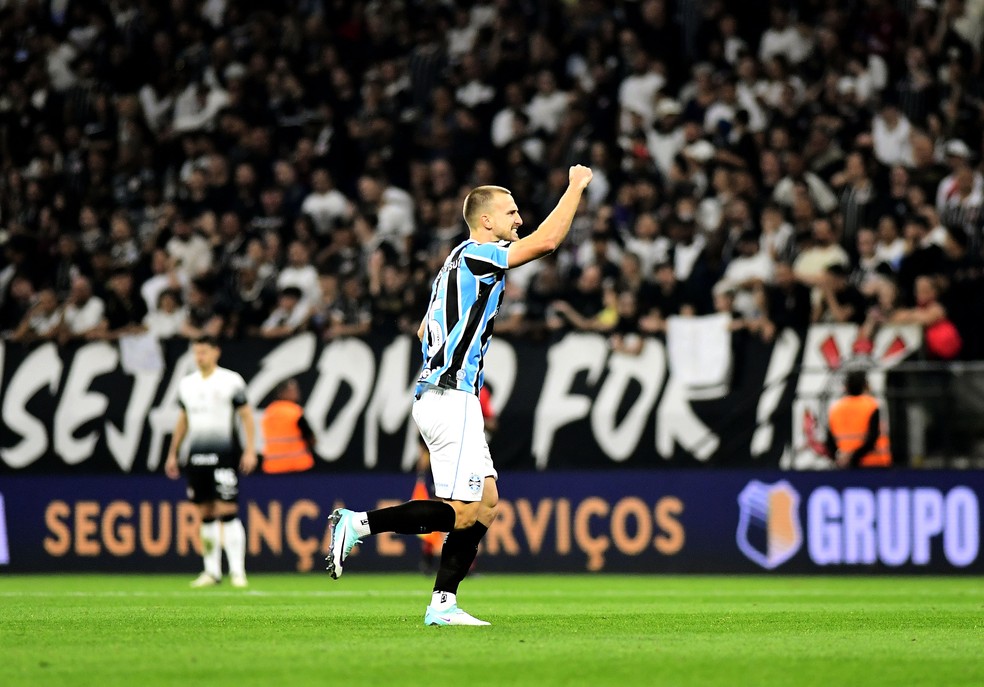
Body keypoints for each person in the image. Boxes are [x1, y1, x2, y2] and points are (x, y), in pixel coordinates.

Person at [326, 164, 594, 626]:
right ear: (485, 220)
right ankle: (358, 523)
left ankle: (443, 604)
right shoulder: (478, 255)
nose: (519, 219)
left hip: (442, 394)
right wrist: (574, 186)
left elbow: (422, 330)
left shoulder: (454, 262)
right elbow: (548, 242)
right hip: (452, 396)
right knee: (464, 510)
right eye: (511, 212)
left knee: (485, 503)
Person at [165, 335, 257, 587]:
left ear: (216, 352)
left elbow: (246, 416)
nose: (199, 357)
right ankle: (211, 571)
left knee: (227, 511)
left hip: (223, 454)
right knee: (204, 513)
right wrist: (173, 452)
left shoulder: (231, 380)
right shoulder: (187, 384)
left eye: (204, 352)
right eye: (196, 352)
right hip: (196, 457)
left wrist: (250, 450)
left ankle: (237, 572)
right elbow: (183, 419)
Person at [825, 369, 891, 469]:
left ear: (846, 387)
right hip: (874, 463)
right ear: (865, 386)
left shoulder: (836, 408)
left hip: (845, 465)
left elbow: (829, 439)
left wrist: (841, 457)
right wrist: (854, 457)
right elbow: (873, 437)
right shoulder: (872, 406)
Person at [260, 378, 315, 474]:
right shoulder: (295, 412)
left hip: (273, 466)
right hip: (297, 465)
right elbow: (310, 437)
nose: (296, 393)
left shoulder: (269, 411)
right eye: (292, 391)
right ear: (282, 393)